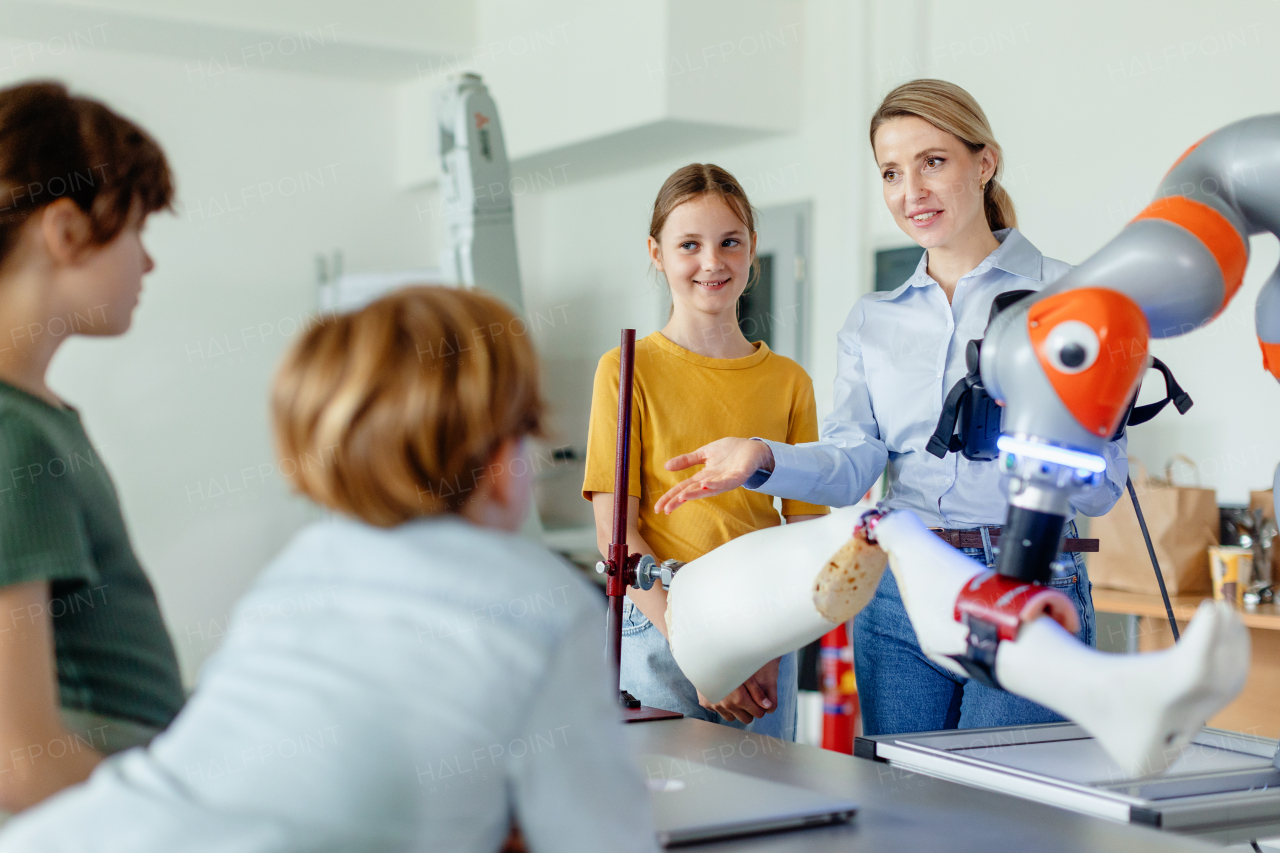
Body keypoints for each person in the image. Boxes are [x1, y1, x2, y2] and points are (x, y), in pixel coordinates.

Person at [0, 287, 659, 852]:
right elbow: (599, 837)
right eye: (530, 431)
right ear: (497, 460)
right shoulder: (545, 596)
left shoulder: (304, 565)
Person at [654, 80, 1128, 736]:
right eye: (891, 172)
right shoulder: (873, 322)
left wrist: (1042, 427)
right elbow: (853, 465)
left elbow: (1103, 490)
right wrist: (762, 458)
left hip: (1029, 582)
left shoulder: (1073, 297)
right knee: (902, 814)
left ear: (984, 163)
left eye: (933, 162)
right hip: (905, 592)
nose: (912, 192)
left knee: (1001, 826)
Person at [583, 163, 828, 740]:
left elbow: (804, 534)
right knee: (662, 814)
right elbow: (614, 535)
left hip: (764, 630)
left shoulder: (790, 381)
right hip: (660, 621)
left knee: (768, 813)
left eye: (729, 242)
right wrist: (699, 647)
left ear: (753, 251)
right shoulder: (625, 370)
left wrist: (764, 645)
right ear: (657, 253)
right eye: (689, 244)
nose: (712, 262)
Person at [0, 80, 184, 812]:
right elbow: (20, 759)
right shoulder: (13, 435)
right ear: (67, 231)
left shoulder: (37, 419)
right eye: (139, 229)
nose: (148, 263)